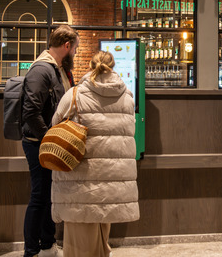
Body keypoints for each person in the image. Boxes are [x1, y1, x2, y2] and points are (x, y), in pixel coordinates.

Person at [50, 51, 139, 257]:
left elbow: (55, 124)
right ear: (113, 67)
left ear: (91, 66)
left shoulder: (75, 94)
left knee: (79, 234)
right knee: (101, 224)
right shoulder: (127, 97)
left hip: (80, 176)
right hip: (110, 178)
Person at [22, 25, 79, 257]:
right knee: (39, 196)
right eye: (75, 48)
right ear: (66, 46)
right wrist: (50, 140)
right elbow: (30, 111)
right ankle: (31, 250)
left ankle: (47, 244)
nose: (75, 53)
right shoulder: (41, 70)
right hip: (39, 143)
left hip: (49, 143)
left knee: (49, 196)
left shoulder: (60, 70)